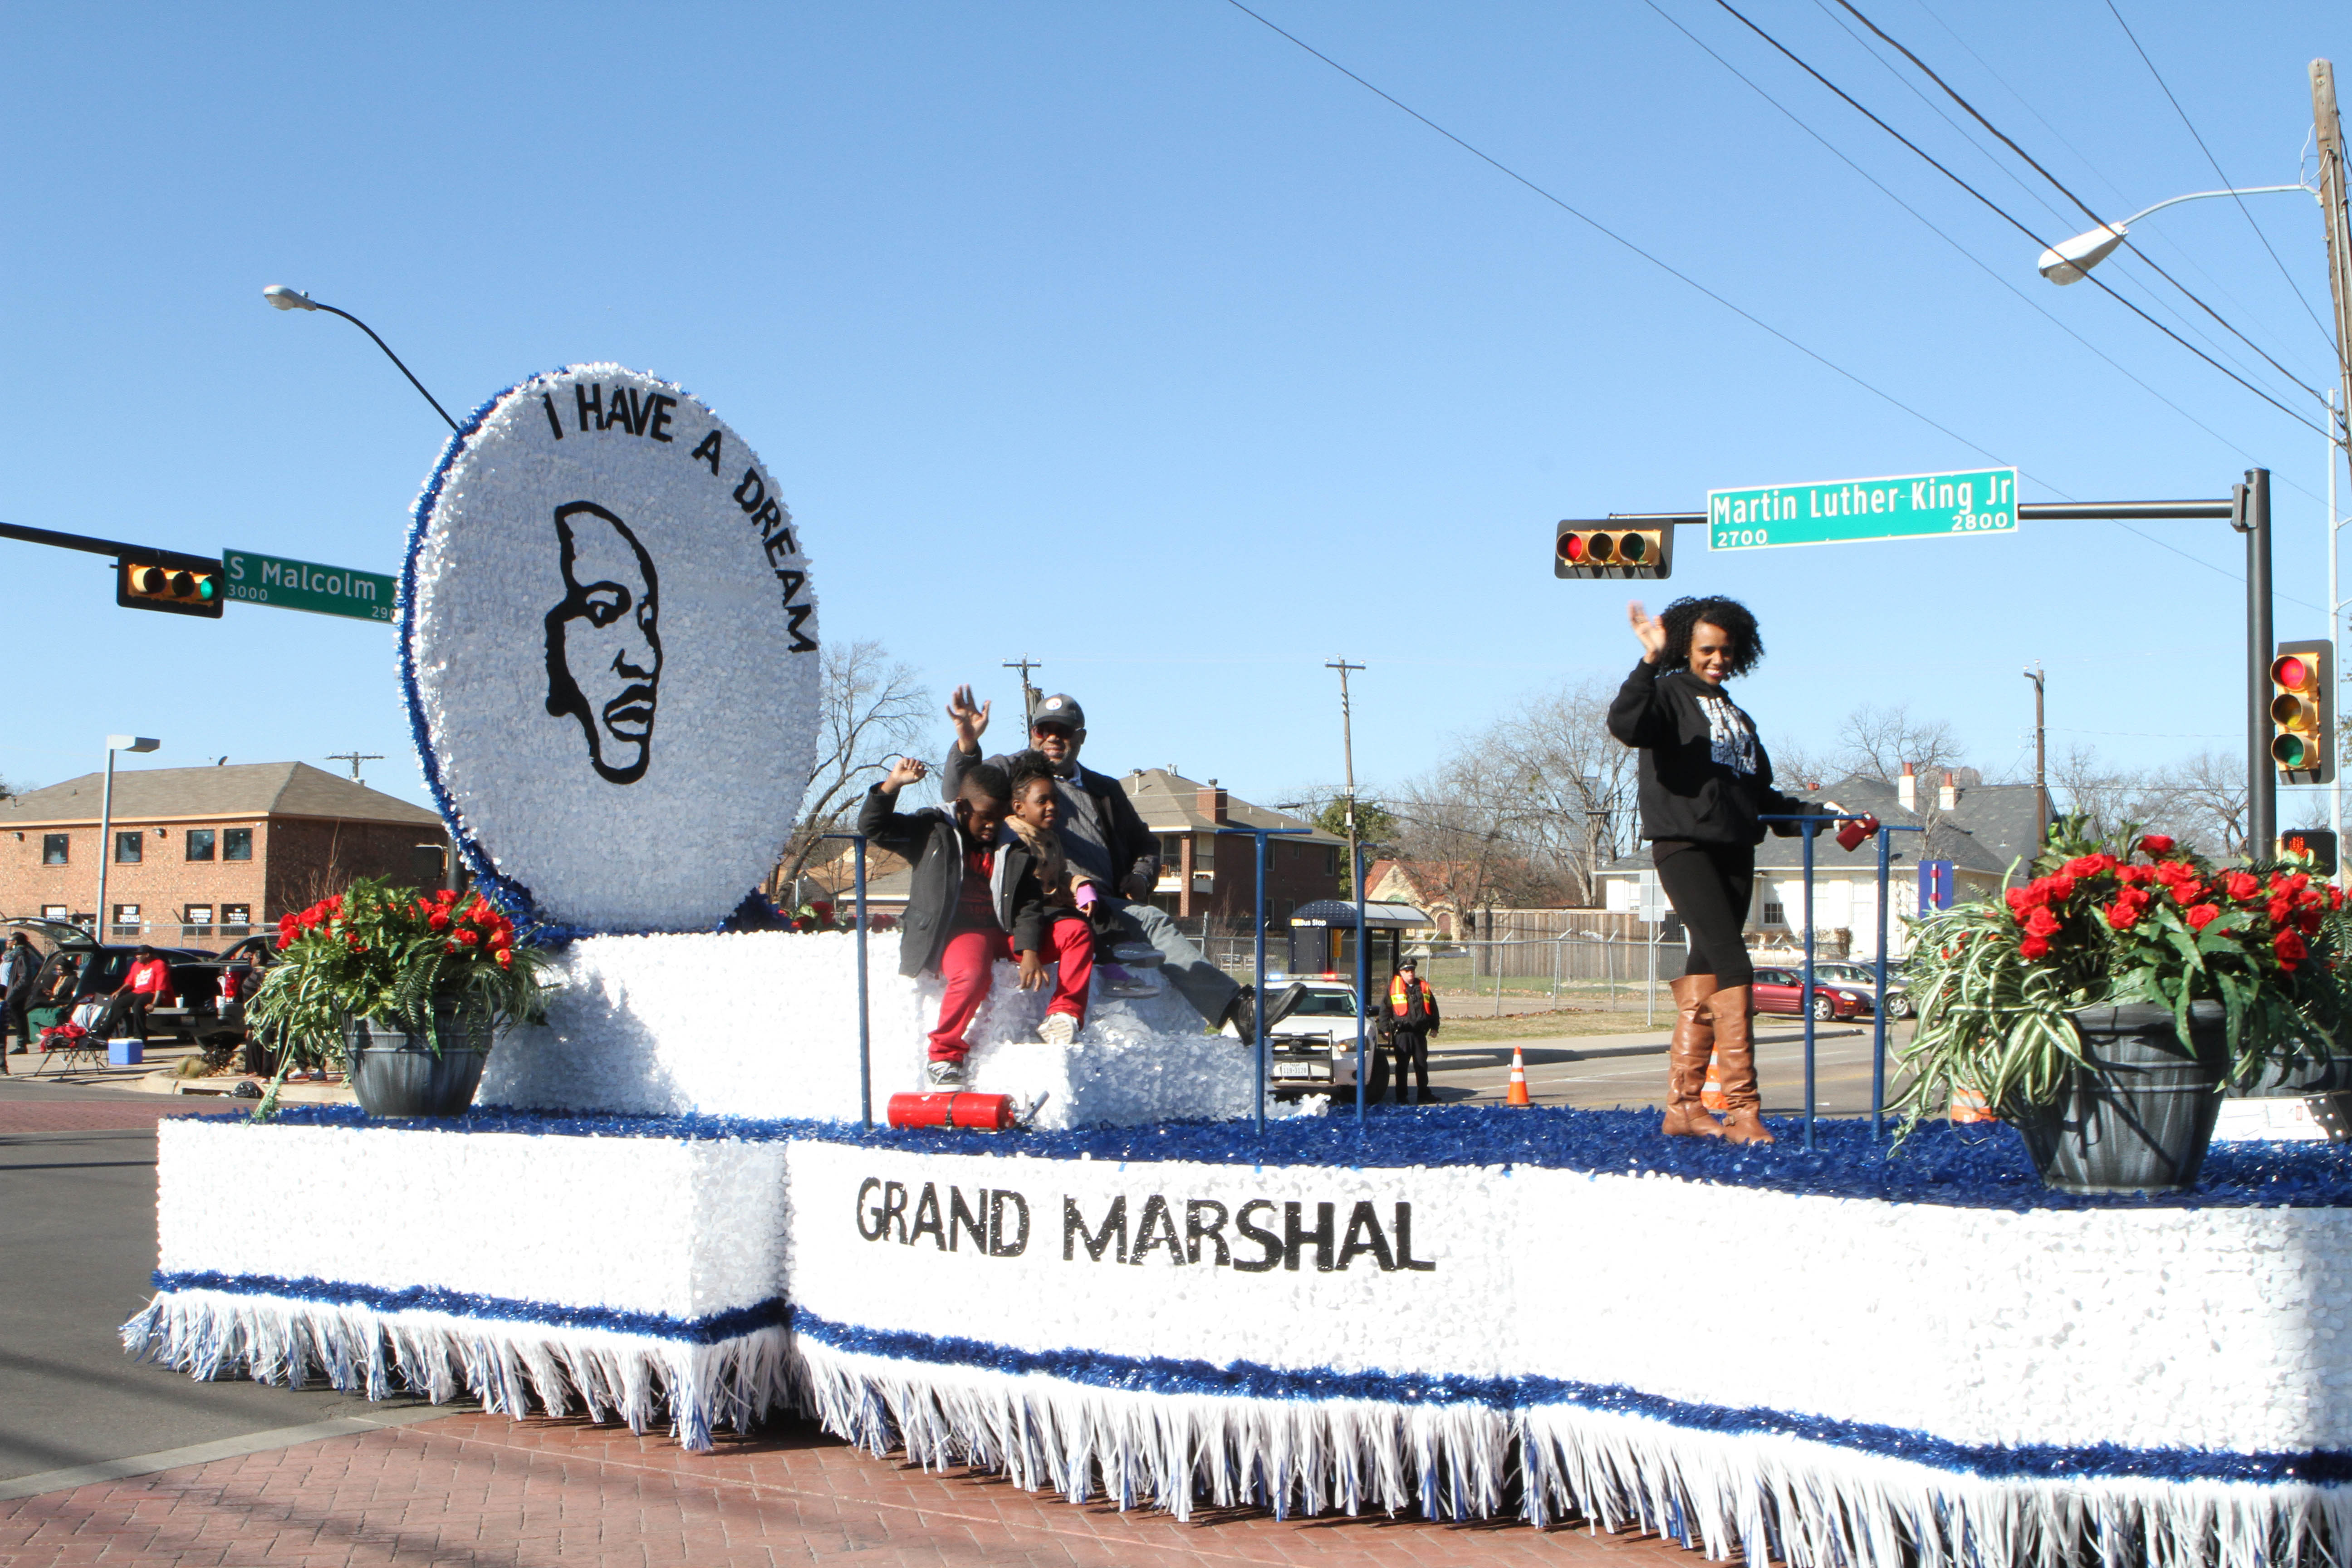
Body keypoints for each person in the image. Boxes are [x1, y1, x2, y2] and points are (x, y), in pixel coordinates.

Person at [941, 686, 1304, 1036]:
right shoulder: (1014, 775)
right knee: (1153, 919)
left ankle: (1235, 1009)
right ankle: (1237, 1010)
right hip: (1043, 901)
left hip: (1104, 903)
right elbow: (964, 796)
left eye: (1063, 731)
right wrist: (968, 744)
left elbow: (1145, 842)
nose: (1052, 738)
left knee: (1147, 915)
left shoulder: (1104, 790)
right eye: (1043, 729)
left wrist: (1141, 877)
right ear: (1032, 733)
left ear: (1080, 737)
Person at [1607, 597, 1823, 1146]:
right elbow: (1626, 724)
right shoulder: (1667, 695)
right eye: (1707, 650)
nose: (1718, 659)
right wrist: (1651, 661)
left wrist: (1815, 816)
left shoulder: (1736, 714)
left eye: (1727, 651)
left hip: (1735, 851)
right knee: (1733, 965)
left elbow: (1759, 794)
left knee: (1706, 971)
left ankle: (1682, 1107)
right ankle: (1743, 1112)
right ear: (1686, 647)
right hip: (1685, 847)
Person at [858, 755, 1094, 1085]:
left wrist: (1029, 951)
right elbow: (873, 828)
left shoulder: (1014, 846)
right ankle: (944, 1057)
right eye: (984, 818)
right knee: (971, 974)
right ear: (962, 807)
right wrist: (893, 785)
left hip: (1005, 931)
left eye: (999, 819)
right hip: (962, 933)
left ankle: (1064, 1015)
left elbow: (1028, 903)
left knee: (1076, 931)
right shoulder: (931, 831)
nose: (992, 827)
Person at [1383, 958, 1441, 1104]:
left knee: (1421, 1065)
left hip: (1419, 1034)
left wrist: (1435, 1027)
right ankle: (1402, 1097)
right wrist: (1385, 1029)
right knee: (1402, 1067)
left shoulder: (1423, 987)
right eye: (1407, 971)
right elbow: (1385, 1010)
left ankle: (1424, 1095)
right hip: (1403, 1034)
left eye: (1412, 971)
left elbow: (1433, 1008)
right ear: (1401, 973)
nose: (1411, 973)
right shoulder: (1394, 988)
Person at [96, 944, 174, 1045]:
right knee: (119, 1004)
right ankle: (103, 1034)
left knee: (138, 1005)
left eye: (139, 954)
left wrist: (154, 1004)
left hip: (154, 993)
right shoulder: (137, 965)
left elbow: (161, 986)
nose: (136, 956)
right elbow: (130, 981)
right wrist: (119, 991)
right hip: (138, 992)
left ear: (147, 955)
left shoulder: (160, 965)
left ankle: (140, 1039)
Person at [0, 932, 37, 1067]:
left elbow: (25, 977)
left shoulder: (21, 956)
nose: (7, 943)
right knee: (15, 1016)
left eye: (10, 940)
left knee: (16, 1015)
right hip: (5, 991)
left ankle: (22, 1044)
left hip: (14, 993)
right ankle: (24, 1040)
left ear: (15, 942)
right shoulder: (10, 956)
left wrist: (13, 992)